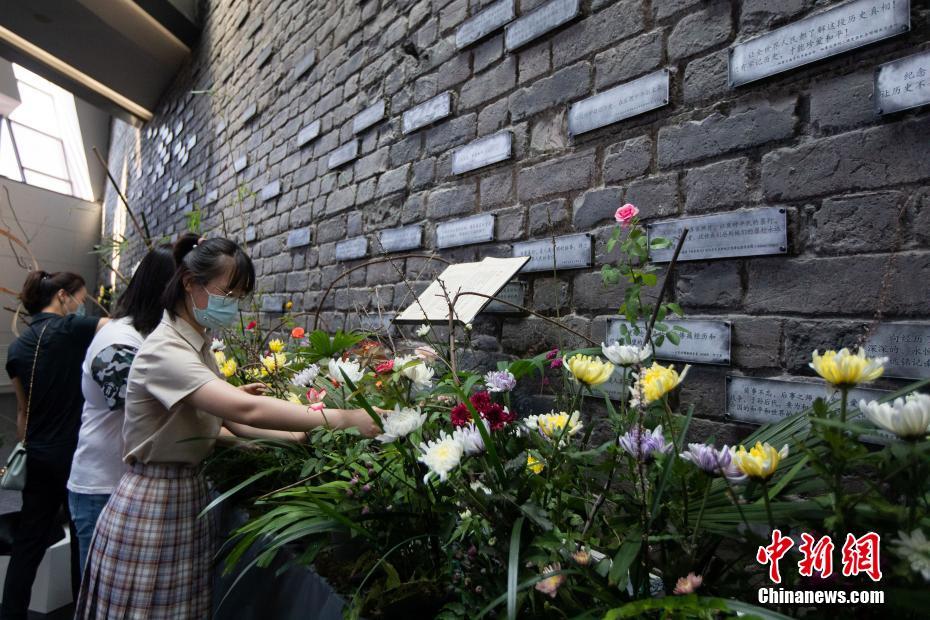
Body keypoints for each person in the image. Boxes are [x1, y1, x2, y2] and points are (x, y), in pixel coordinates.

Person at [75, 236, 380, 619]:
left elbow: (229, 418)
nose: (232, 303)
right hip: (154, 501)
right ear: (189, 282)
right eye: (227, 291)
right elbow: (245, 409)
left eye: (240, 295)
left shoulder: (195, 344)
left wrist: (297, 436)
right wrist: (348, 418)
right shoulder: (164, 350)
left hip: (181, 493)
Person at [1, 271, 108, 620]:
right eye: (81, 297)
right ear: (62, 296)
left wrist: (30, 447)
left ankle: (11, 614)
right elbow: (117, 327)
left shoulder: (16, 348)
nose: (83, 304)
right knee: (81, 539)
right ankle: (82, 612)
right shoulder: (72, 329)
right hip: (76, 453)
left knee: (29, 541)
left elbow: (22, 412)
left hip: (39, 453)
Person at [67, 243, 177, 575]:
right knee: (100, 594)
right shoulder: (119, 343)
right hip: (100, 486)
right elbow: (152, 416)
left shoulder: (143, 337)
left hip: (120, 481)